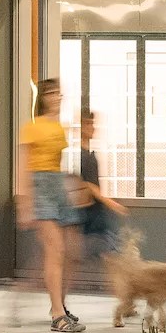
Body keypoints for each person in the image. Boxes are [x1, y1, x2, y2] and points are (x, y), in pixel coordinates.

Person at [14, 80, 82, 332]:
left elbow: (59, 163)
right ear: (42, 98)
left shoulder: (58, 127)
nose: (57, 97)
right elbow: (23, 167)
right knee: (54, 250)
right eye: (51, 93)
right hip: (39, 185)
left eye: (58, 93)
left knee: (72, 251)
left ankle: (60, 305)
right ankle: (57, 314)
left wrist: (70, 190)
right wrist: (25, 204)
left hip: (57, 186)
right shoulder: (31, 128)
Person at [70, 106, 129, 288]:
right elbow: (88, 186)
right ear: (80, 127)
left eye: (93, 123)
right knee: (112, 253)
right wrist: (111, 203)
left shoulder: (88, 154)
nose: (92, 128)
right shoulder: (81, 155)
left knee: (112, 254)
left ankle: (125, 297)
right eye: (88, 124)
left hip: (94, 210)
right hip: (90, 212)